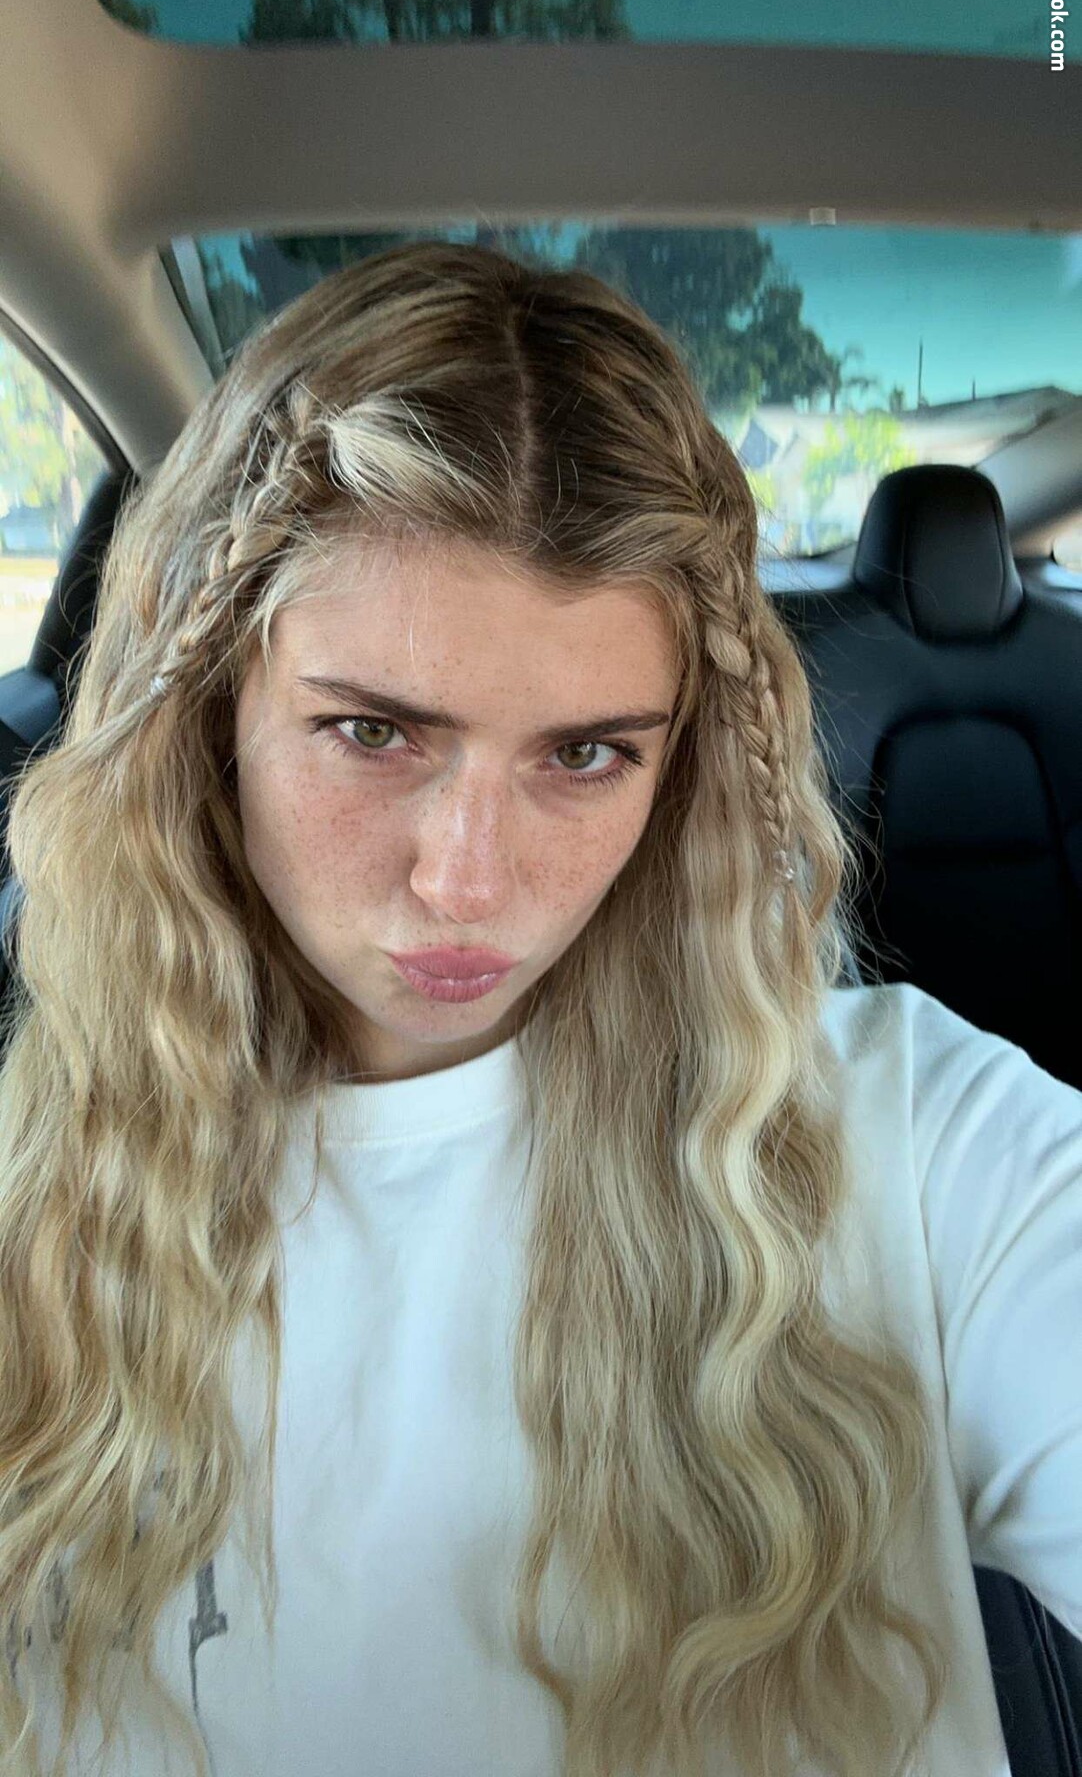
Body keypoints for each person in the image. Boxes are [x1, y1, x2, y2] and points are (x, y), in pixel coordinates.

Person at [0, 240, 1076, 1777]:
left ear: (676, 764)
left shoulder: (912, 1144)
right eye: (370, 733)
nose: (468, 881)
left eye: (584, 756)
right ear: (207, 708)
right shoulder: (27, 1193)